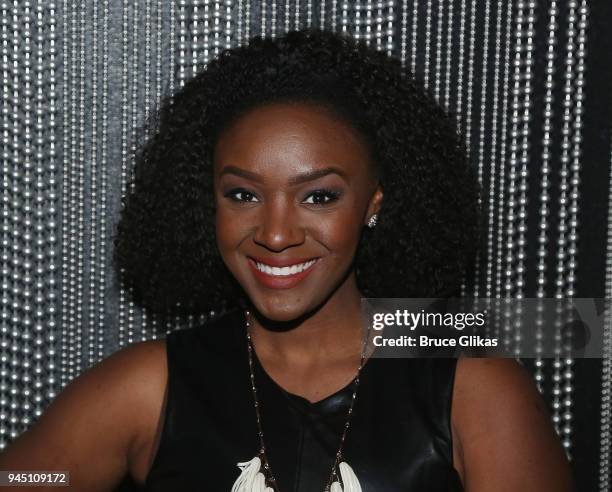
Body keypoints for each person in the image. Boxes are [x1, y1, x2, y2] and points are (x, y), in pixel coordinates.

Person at [0, 28, 573, 492]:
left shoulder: (473, 384)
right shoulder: (151, 386)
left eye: (318, 196)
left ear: (373, 204)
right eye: (243, 195)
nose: (275, 234)